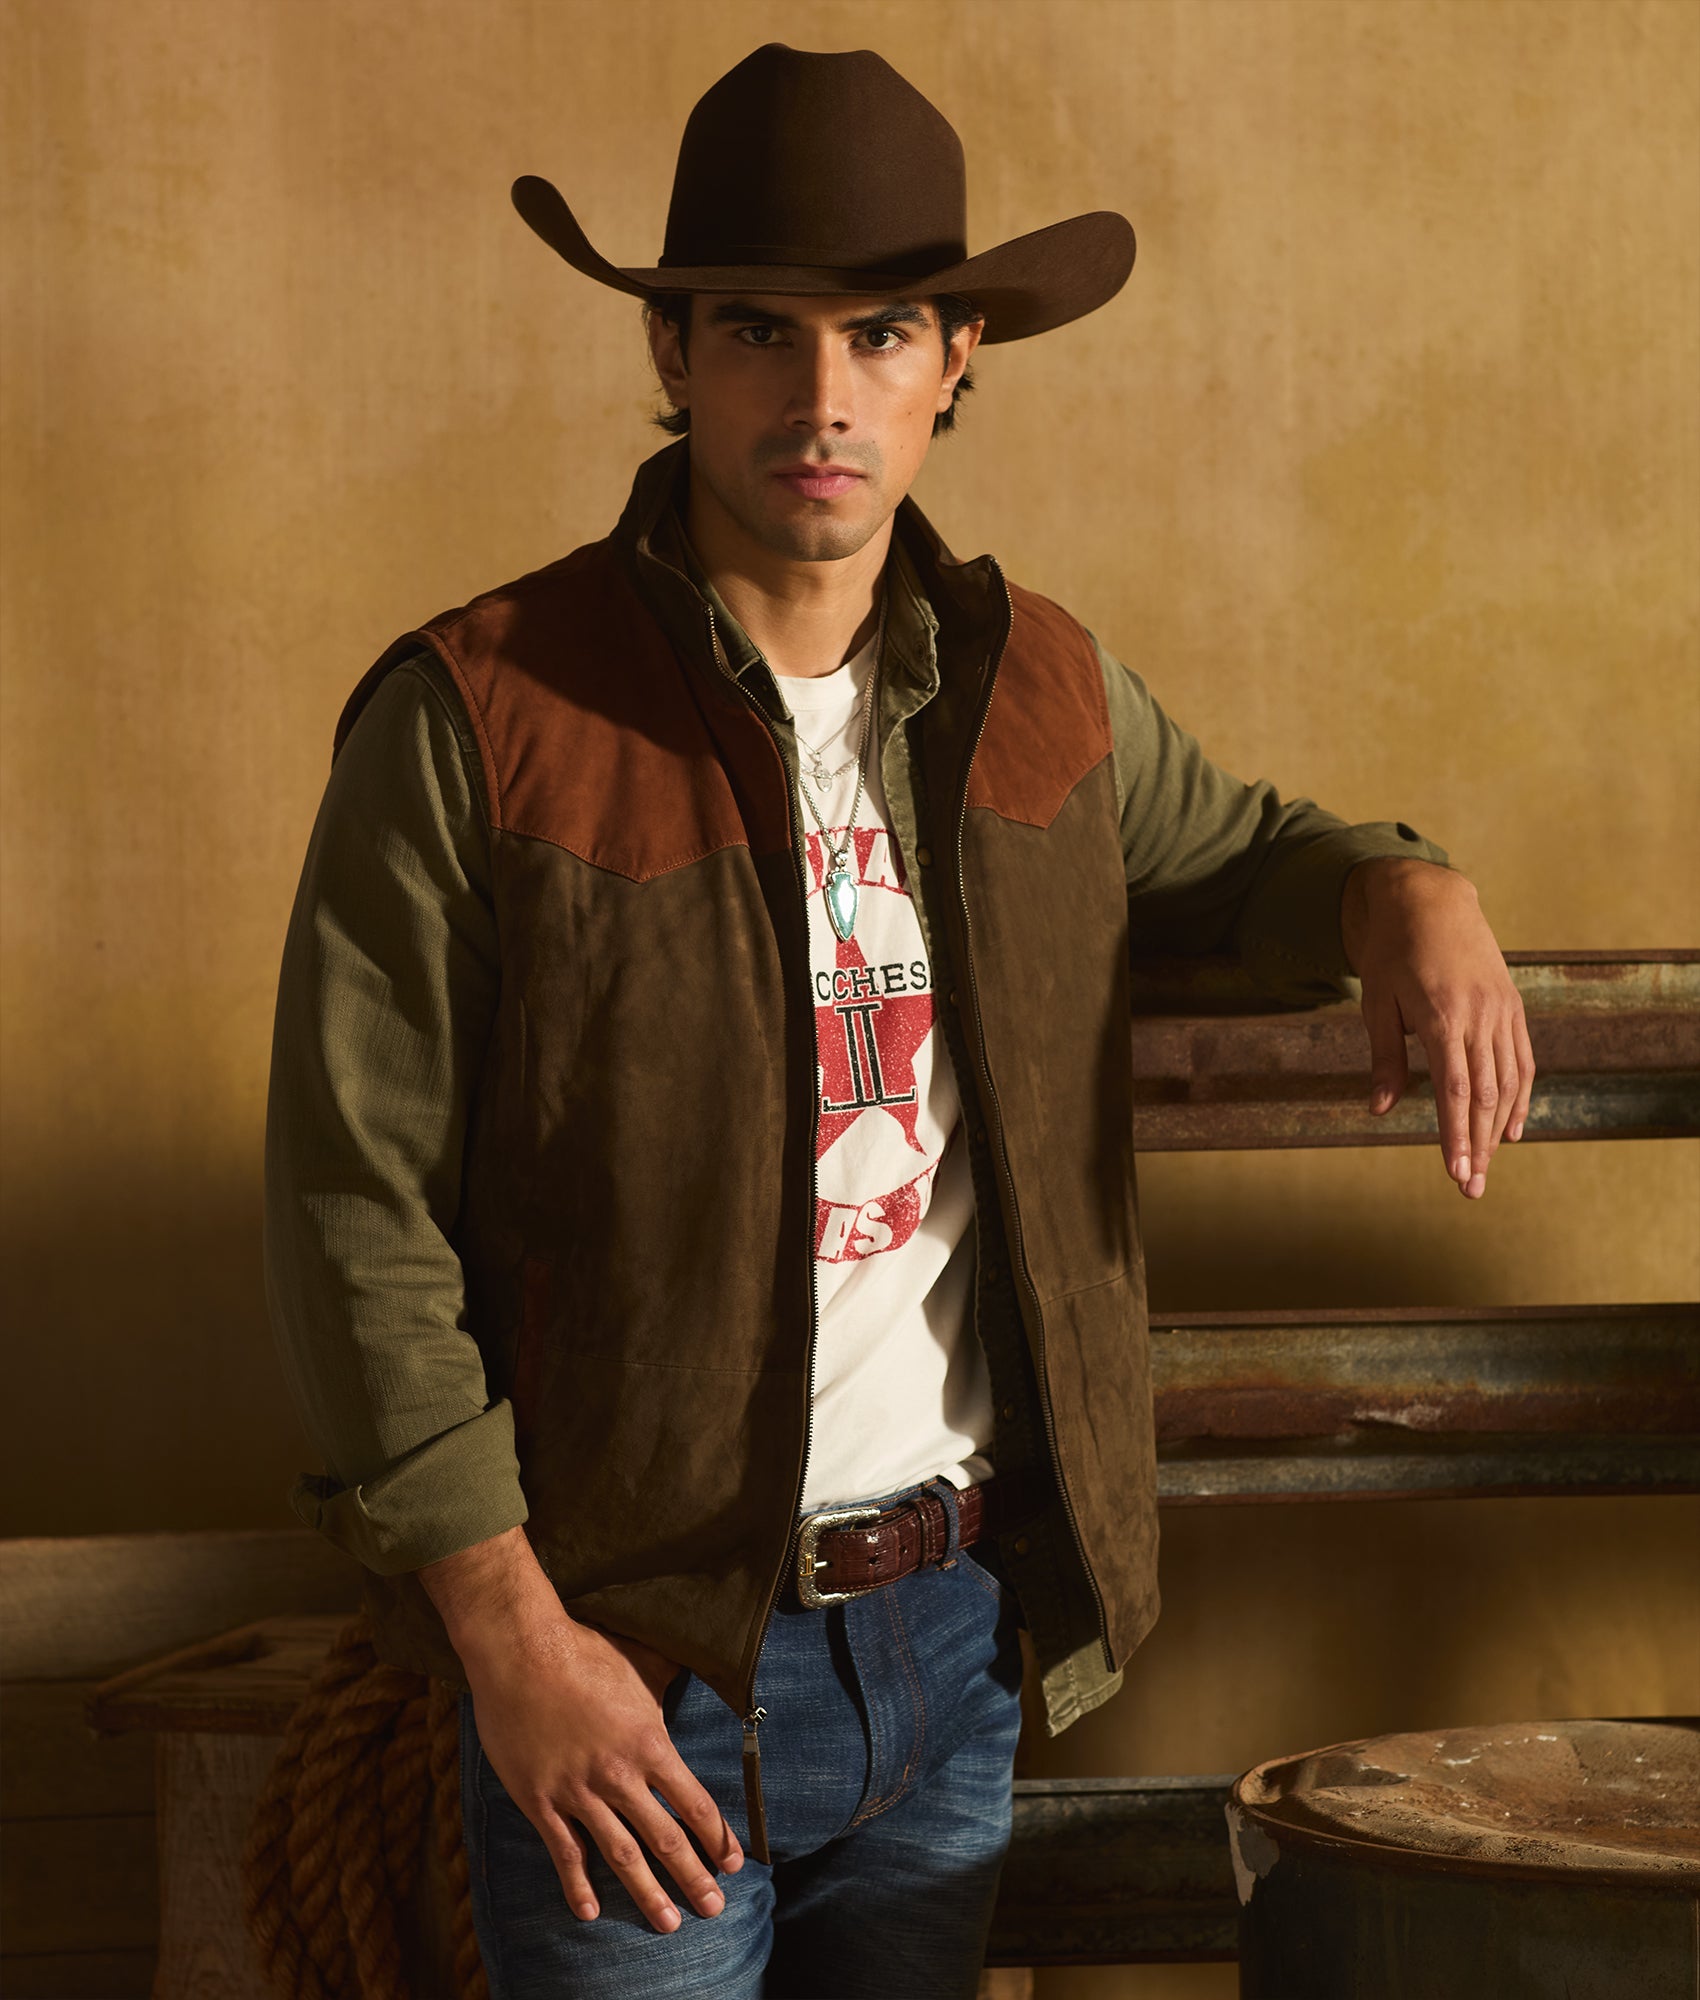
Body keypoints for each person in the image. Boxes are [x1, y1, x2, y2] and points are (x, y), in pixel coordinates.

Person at [263, 42, 1535, 2000]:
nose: (822, 396)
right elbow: (355, 1212)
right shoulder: (480, 718)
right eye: (758, 331)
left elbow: (1251, 856)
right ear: (673, 349)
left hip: (948, 1642)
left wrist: (1407, 886)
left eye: (879, 334)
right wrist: (513, 1643)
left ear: (957, 362)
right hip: (633, 1665)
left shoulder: (1039, 692)